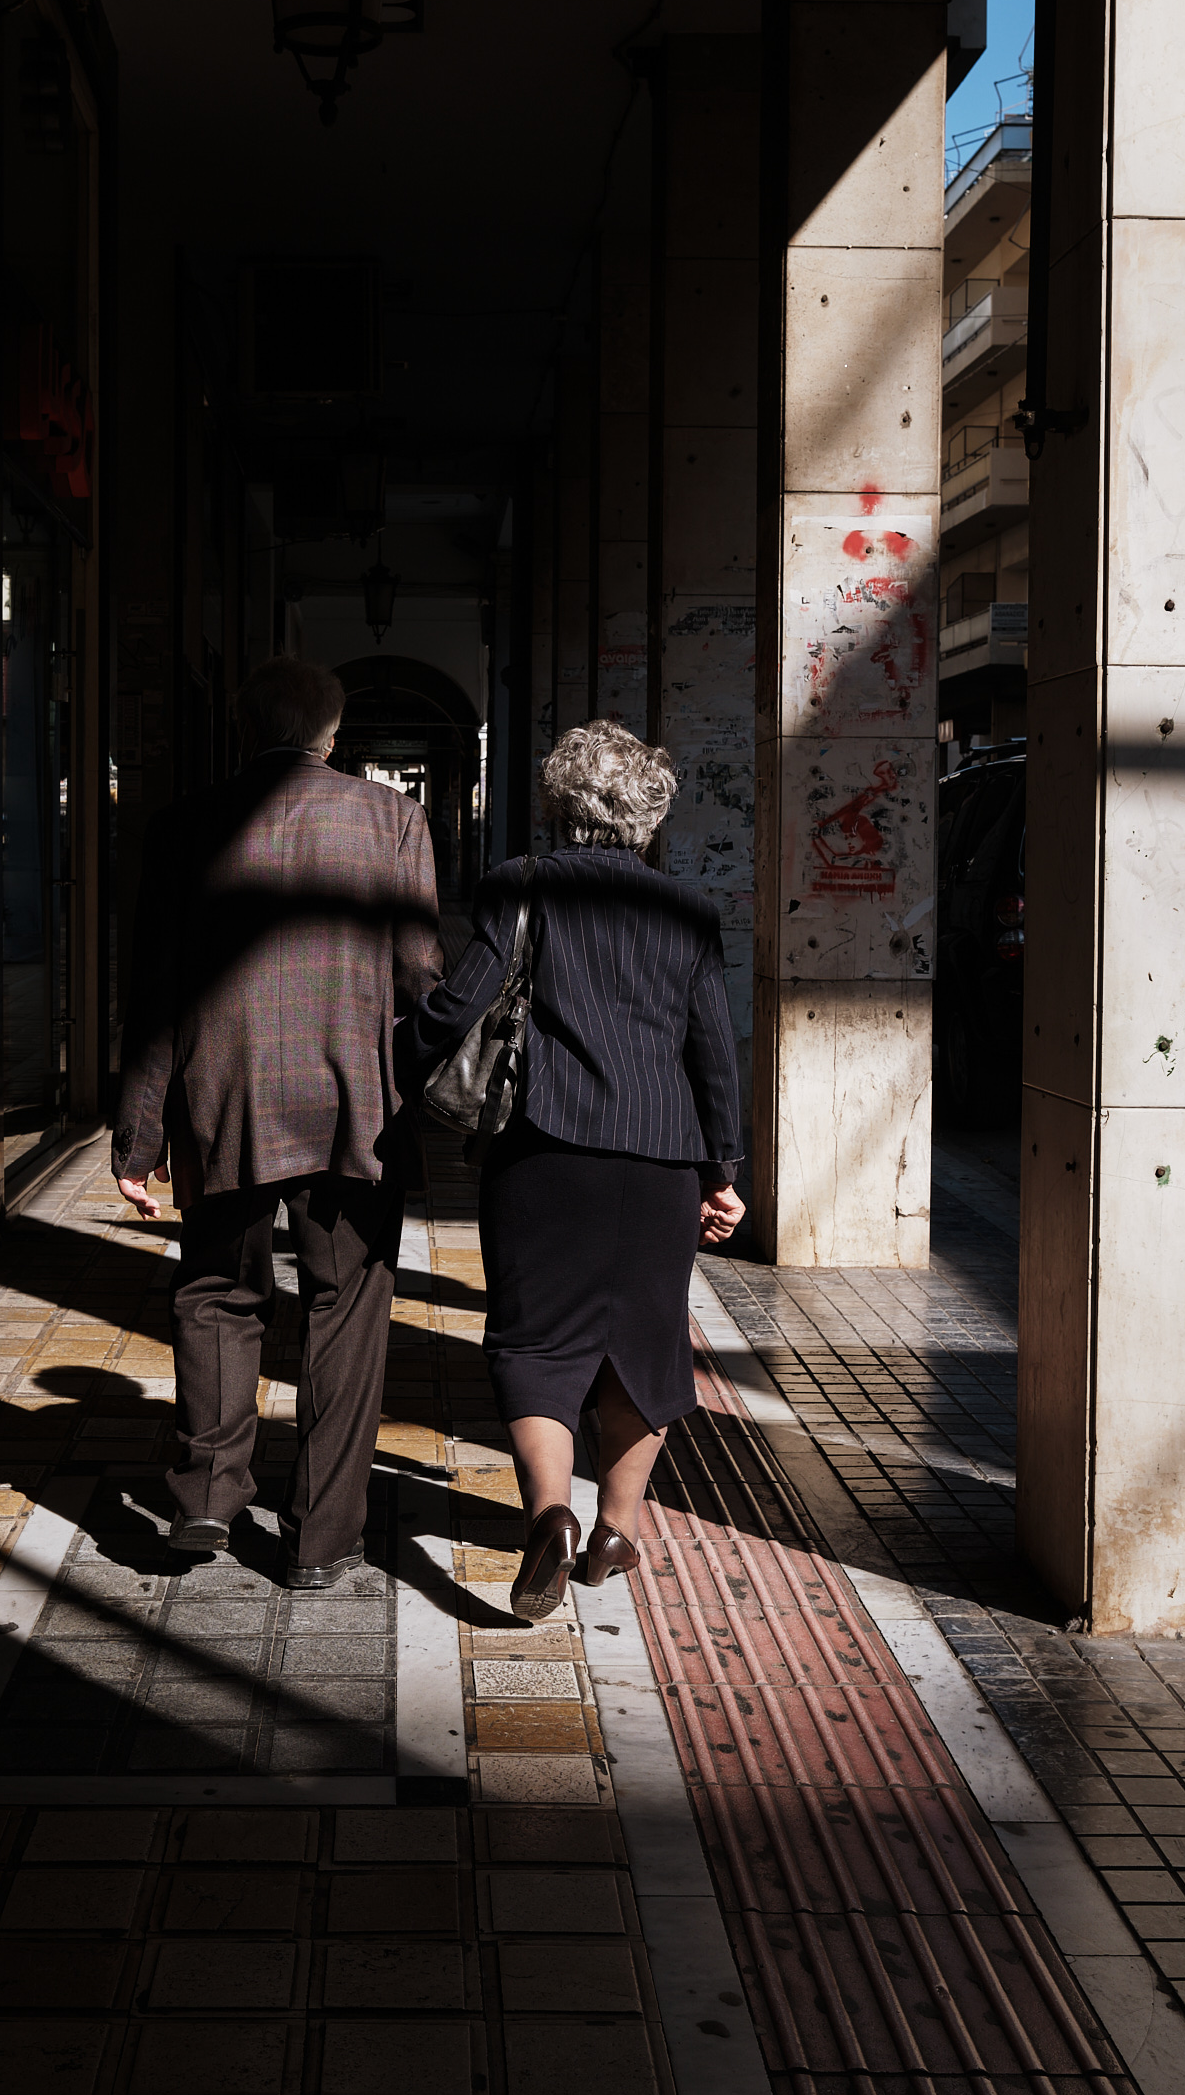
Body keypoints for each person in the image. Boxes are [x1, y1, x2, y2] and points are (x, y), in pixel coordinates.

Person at [398, 719, 745, 1622]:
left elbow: (463, 1000)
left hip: (544, 1151)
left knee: (535, 1339)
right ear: (649, 813)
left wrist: (391, 1056)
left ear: (562, 804)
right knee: (645, 1344)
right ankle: (616, 1528)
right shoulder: (689, 911)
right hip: (663, 1154)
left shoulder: (520, 885)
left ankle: (547, 1515)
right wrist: (722, 1170)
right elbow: (713, 1052)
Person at [113, 657, 441, 1588]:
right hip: (355, 1110)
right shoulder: (393, 821)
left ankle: (207, 1500)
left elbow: (154, 998)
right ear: (333, 735)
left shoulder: (182, 827)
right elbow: (421, 977)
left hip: (223, 1102)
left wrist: (138, 1140)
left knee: (216, 1294)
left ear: (240, 726)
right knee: (347, 1312)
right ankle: (320, 1540)